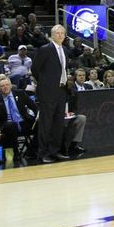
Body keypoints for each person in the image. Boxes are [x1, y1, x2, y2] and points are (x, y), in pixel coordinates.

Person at [31, 24, 72, 164]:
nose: (60, 35)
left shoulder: (65, 50)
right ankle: (42, 153)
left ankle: (54, 151)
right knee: (46, 124)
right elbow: (35, 69)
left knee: (58, 124)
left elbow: (64, 69)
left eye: (62, 33)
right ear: (52, 35)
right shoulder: (45, 49)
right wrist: (45, 84)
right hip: (48, 92)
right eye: (57, 33)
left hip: (61, 90)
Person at [0, 75, 36, 165]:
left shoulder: (20, 93)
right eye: (2, 86)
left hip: (23, 122)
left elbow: (33, 106)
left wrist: (38, 115)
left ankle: (32, 150)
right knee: (11, 125)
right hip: (7, 126)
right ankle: (16, 152)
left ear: (11, 85)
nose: (5, 87)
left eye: (7, 84)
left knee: (41, 123)